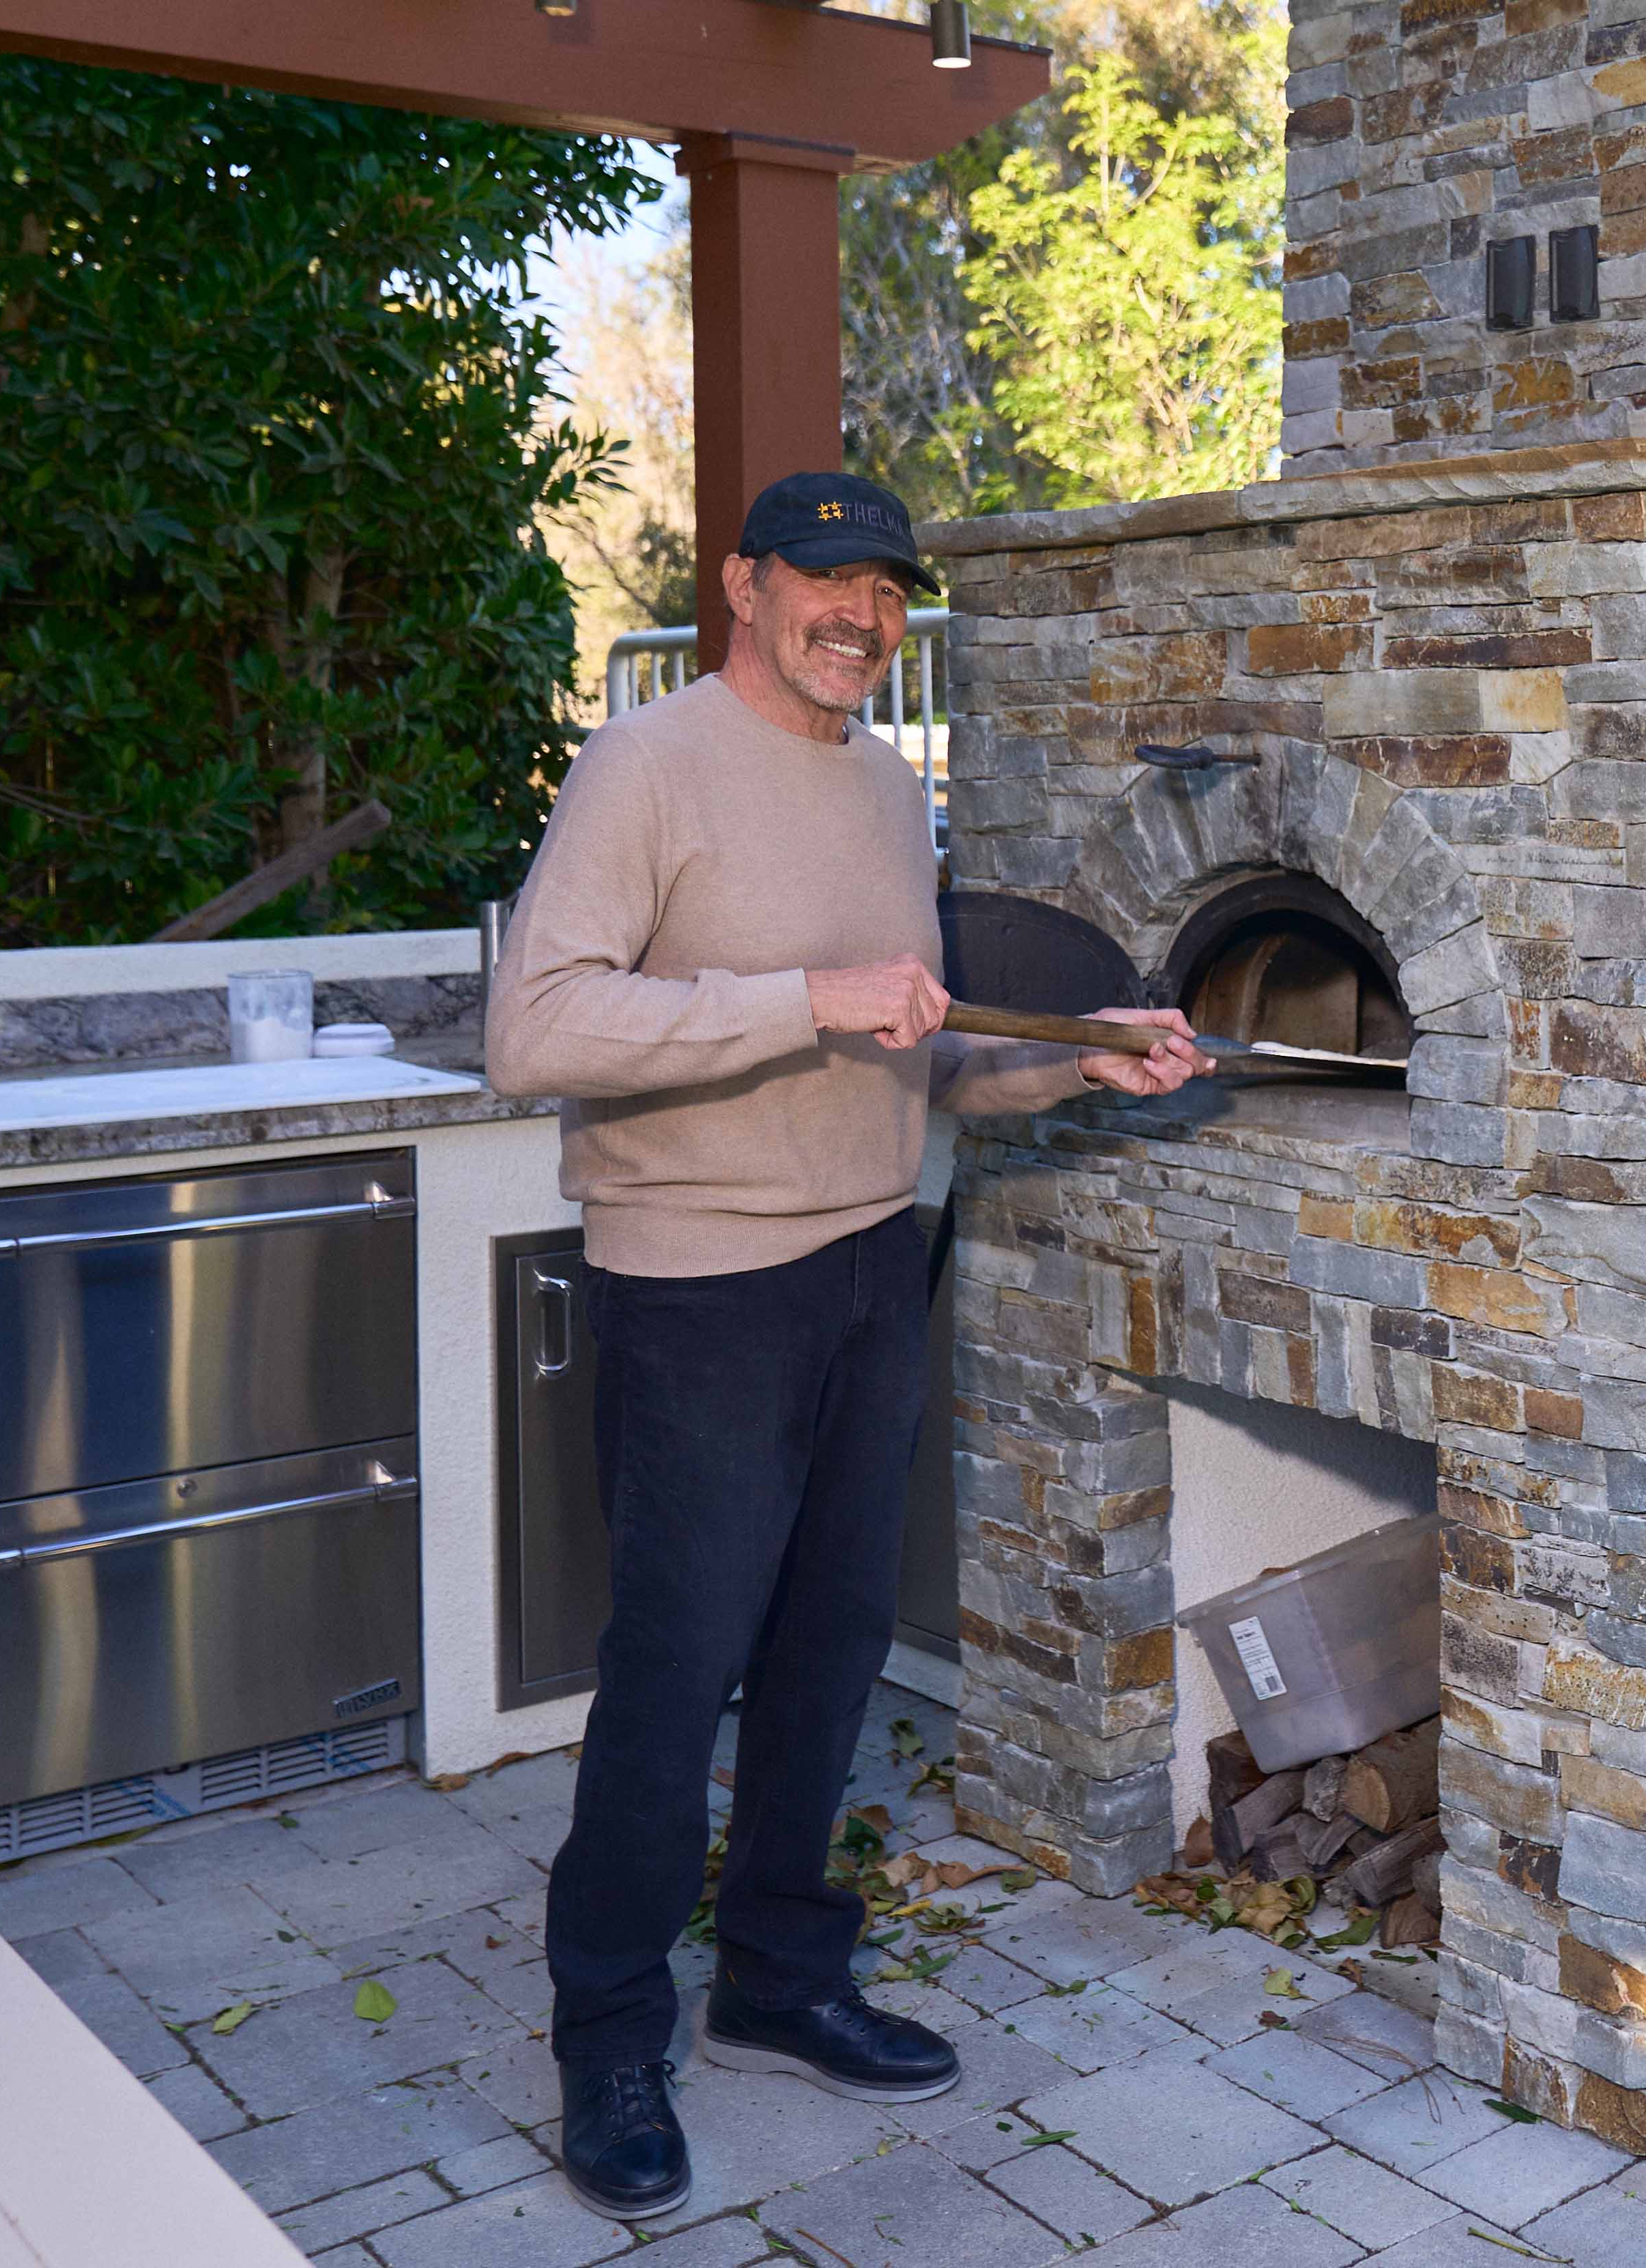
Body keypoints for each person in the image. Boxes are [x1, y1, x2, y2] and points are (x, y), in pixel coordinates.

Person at [486, 470, 1207, 2222]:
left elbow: (917, 1059)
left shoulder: (889, 790)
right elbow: (534, 1028)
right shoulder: (642, 769)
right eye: (824, 580)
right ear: (741, 586)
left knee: (827, 1656)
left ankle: (779, 1976)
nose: (861, 617)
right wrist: (803, 997)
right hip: (700, 1289)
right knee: (677, 1674)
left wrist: (1068, 1061)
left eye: (884, 589)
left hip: (874, 1263)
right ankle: (605, 2031)